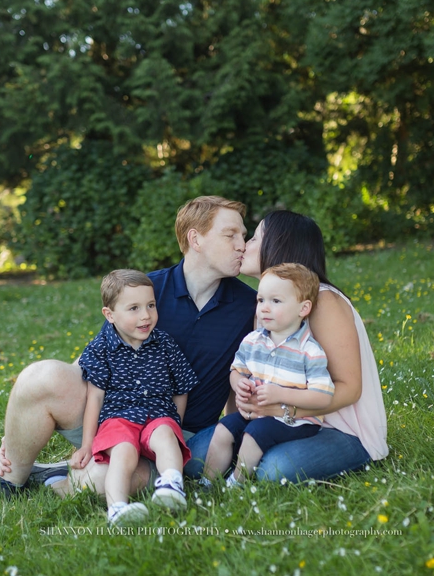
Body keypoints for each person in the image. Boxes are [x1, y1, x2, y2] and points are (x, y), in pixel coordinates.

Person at [0, 196, 256, 509]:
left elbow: (240, 380)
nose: (242, 244)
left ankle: (58, 478)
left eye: (243, 235)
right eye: (231, 235)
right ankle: (9, 482)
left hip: (177, 434)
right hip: (116, 416)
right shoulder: (148, 291)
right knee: (41, 377)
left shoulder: (249, 307)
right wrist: (14, 439)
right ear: (195, 238)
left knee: (100, 482)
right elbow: (94, 362)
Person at [184, 209, 389, 481]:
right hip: (272, 421)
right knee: (194, 456)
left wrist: (280, 409)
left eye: (255, 239)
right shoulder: (265, 308)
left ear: (278, 246)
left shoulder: (323, 301)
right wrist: (244, 410)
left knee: (273, 469)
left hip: (339, 429)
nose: (245, 246)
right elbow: (251, 371)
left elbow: (349, 389)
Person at [73, 269, 198, 526]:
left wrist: (175, 424)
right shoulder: (100, 348)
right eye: (134, 308)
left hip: (158, 416)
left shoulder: (165, 344)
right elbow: (94, 398)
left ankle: (172, 486)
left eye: (151, 305)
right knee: (124, 451)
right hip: (119, 420)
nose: (146, 316)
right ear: (110, 315)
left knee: (165, 435)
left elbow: (181, 388)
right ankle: (118, 508)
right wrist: (87, 444)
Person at [202, 263, 334, 487]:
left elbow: (322, 397)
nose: (264, 307)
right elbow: (237, 370)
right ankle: (207, 481)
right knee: (224, 428)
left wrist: (280, 394)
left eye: (276, 301)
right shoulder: (253, 340)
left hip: (297, 421)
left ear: (303, 308)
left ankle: (237, 482)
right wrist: (239, 384)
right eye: (261, 300)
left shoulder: (310, 351)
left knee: (255, 432)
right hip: (257, 413)